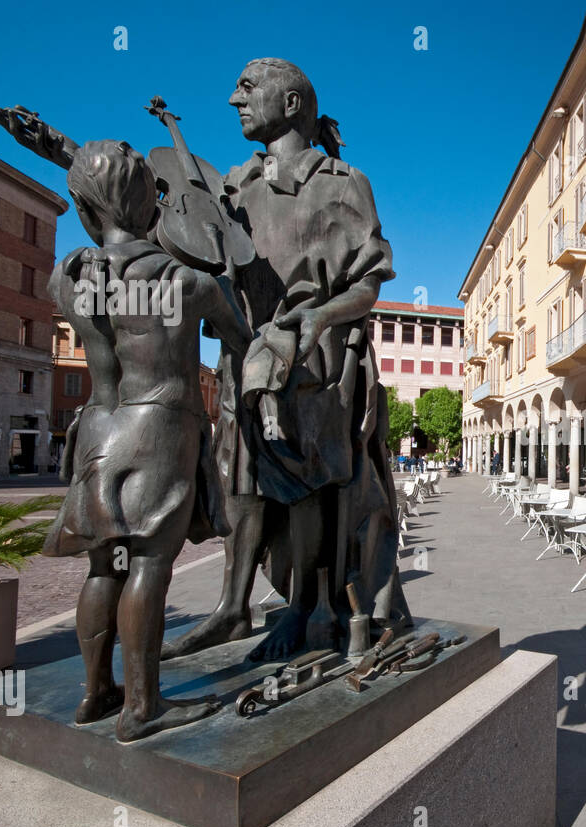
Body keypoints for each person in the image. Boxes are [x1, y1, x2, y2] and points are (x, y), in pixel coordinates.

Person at [162, 59, 409, 663]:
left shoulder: (342, 183)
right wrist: (66, 154)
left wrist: (320, 317)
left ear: (292, 102)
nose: (232, 99)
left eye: (247, 89)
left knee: (307, 482)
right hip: (242, 356)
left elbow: (369, 283)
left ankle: (307, 607)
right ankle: (232, 605)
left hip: (315, 364)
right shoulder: (234, 186)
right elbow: (174, 216)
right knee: (241, 481)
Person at [43, 139, 250, 741]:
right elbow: (241, 338)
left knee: (103, 566)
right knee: (150, 565)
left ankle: (96, 693)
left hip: (97, 428)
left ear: (83, 211)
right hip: (159, 427)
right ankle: (142, 706)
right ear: (155, 208)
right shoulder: (187, 283)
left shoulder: (70, 278)